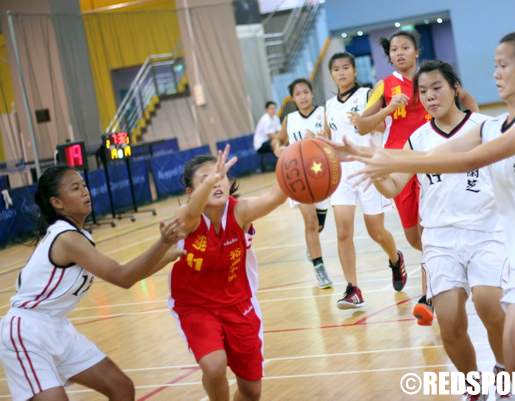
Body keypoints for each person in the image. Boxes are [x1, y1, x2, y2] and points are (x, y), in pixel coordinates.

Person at [350, 31, 515, 401]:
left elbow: (466, 161)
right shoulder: (490, 126)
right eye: (494, 66)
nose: (495, 73)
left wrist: (389, 157)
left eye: (503, 65)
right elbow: (439, 155)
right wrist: (370, 156)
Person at [335, 60, 512, 400]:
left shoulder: (483, 126)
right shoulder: (416, 139)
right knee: (449, 321)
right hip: (441, 238)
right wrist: (376, 173)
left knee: (491, 305)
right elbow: (394, 184)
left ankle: (503, 369)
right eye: (423, 92)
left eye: (437, 88)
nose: (430, 96)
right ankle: (473, 385)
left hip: (487, 231)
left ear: (455, 88)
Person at [0, 165, 183, 401]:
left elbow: (127, 273)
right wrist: (162, 243)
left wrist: (169, 254)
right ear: (57, 202)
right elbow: (123, 277)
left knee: (121, 388)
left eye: (84, 185)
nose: (85, 191)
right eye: (76, 188)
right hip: (26, 331)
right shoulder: (67, 238)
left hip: (57, 327)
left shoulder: (79, 236)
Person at [355, 30, 479, 325]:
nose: (398, 53)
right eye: (394, 49)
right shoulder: (383, 86)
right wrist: (388, 107)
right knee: (414, 237)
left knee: (429, 229)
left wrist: (477, 127)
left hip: (430, 158)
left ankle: (430, 294)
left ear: (416, 52)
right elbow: (361, 126)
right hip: (398, 165)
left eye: (405, 47)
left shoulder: (431, 80)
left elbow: (467, 102)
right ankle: (446, 270)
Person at [169, 145, 287, 401]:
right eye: (207, 179)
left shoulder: (240, 211)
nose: (216, 182)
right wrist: (210, 180)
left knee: (251, 391)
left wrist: (288, 162)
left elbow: (276, 197)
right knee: (214, 365)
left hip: (239, 303)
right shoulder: (186, 218)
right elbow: (190, 212)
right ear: (191, 192)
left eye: (221, 175)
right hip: (195, 306)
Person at [323, 52, 405, 309]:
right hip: (342, 174)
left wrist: (365, 121)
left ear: (354, 70)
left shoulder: (368, 94)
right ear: (332, 74)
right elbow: (329, 137)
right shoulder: (329, 105)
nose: (342, 72)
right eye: (336, 69)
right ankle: (352, 288)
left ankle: (395, 258)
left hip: (370, 169)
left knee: (376, 232)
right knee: (343, 232)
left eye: (346, 67)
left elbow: (383, 127)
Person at [273, 78, 333, 289]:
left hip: (322, 176)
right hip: (298, 177)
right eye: (298, 93)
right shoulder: (289, 119)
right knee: (310, 223)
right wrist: (278, 149)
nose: (303, 96)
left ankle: (312, 246)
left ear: (312, 93)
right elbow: (278, 140)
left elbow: (332, 138)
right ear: (293, 98)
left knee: (319, 225)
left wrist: (323, 137)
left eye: (306, 92)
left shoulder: (323, 114)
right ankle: (320, 268)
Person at [253, 101, 280, 172]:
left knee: (278, 141)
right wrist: (280, 138)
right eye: (271, 109)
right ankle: (280, 163)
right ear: (266, 110)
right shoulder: (265, 119)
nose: (273, 110)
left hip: (269, 142)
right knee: (275, 142)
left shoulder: (276, 117)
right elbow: (270, 135)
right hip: (260, 145)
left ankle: (281, 162)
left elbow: (279, 131)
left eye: (274, 108)